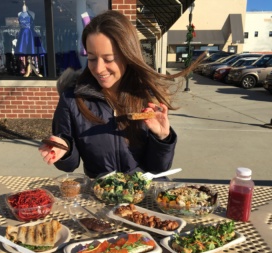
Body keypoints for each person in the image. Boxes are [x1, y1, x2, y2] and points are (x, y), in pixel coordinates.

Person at [39, 10, 198, 179]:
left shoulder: (146, 96)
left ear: (128, 55)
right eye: (92, 58)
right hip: (100, 194)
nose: (99, 68)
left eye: (108, 59)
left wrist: (162, 137)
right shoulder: (72, 100)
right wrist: (63, 149)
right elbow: (70, 165)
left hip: (142, 194)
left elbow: (158, 168)